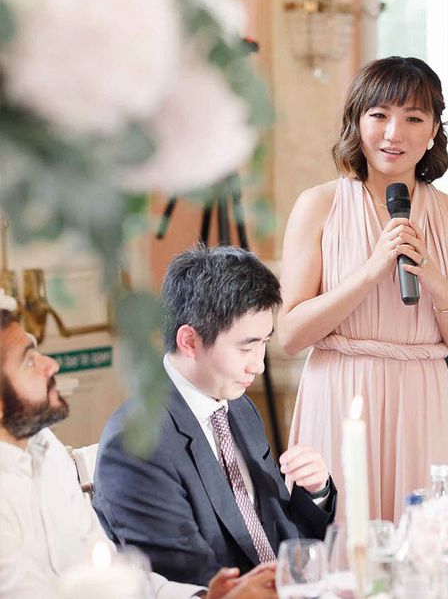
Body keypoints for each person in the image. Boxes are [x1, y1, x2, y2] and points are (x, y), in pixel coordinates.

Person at [280, 56, 448, 522]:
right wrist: (371, 271)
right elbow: (290, 335)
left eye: (414, 118)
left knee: (413, 547)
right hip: (340, 390)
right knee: (339, 543)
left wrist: (433, 279)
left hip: (420, 398)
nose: (395, 133)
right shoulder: (318, 205)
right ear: (356, 121)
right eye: (379, 115)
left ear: (434, 130)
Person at [93, 246, 336, 587]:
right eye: (245, 347)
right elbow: (190, 578)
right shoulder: (136, 444)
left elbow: (280, 541)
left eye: (264, 343)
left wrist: (316, 491)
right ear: (189, 341)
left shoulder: (239, 408)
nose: (259, 364)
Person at [0, 302, 277, 599]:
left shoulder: (46, 448)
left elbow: (115, 576)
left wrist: (205, 598)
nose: (51, 365)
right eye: (29, 362)